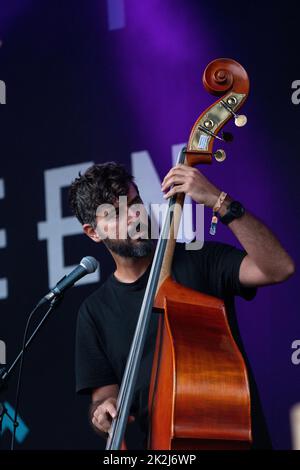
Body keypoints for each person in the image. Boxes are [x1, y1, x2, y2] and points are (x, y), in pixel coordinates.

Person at [69, 161, 295, 449]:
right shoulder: (94, 312)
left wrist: (218, 200)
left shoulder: (200, 260)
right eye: (115, 213)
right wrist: (101, 412)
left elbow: (280, 267)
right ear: (93, 232)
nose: (134, 216)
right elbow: (102, 397)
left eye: (135, 202)